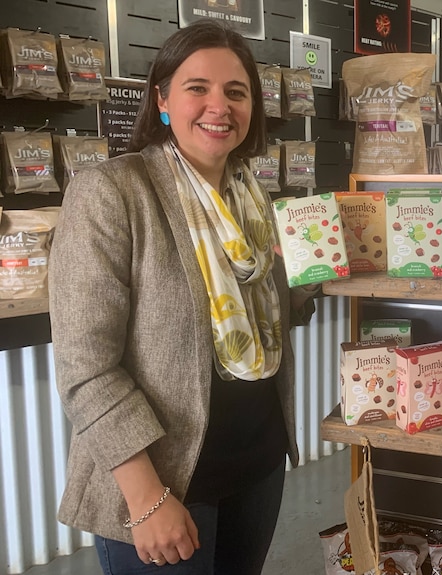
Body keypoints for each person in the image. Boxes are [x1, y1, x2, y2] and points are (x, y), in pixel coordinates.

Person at [48, 19, 320, 575]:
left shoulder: (255, 199)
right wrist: (146, 495)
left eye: (236, 91)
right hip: (164, 482)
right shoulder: (113, 191)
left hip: (258, 466)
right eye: (198, 87)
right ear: (163, 99)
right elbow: (85, 368)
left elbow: (266, 318)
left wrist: (314, 272)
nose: (218, 105)